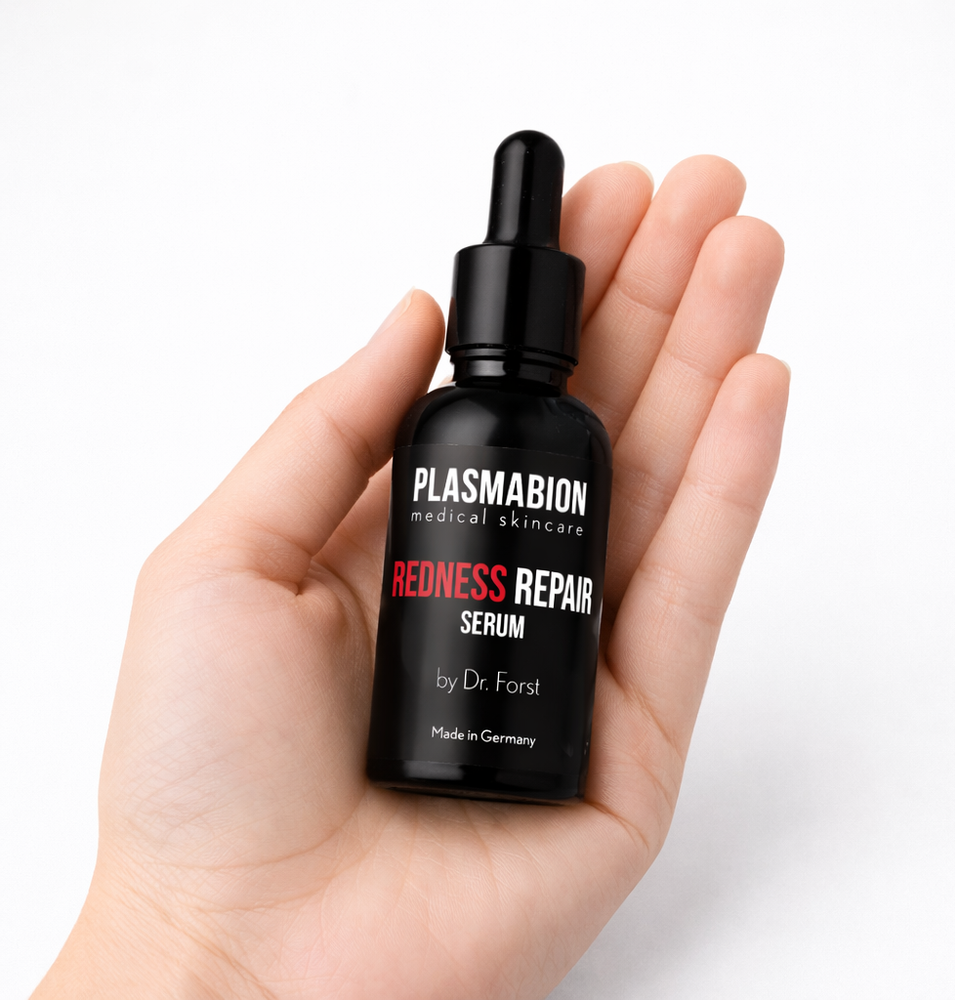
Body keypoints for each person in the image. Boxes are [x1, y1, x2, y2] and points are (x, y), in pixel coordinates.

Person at [33, 154, 788, 999]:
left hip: (527, 756)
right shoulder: (448, 424)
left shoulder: (571, 439)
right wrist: (185, 926)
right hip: (398, 765)